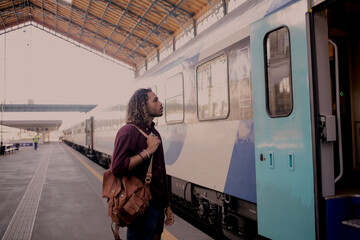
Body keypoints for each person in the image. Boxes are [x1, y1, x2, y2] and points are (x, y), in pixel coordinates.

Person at [111, 88, 174, 240]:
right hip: (140, 205)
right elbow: (117, 167)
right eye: (155, 100)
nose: (160, 103)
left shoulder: (154, 133)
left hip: (157, 206)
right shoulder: (127, 132)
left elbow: (160, 171)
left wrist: (167, 206)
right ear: (142, 106)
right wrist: (148, 151)